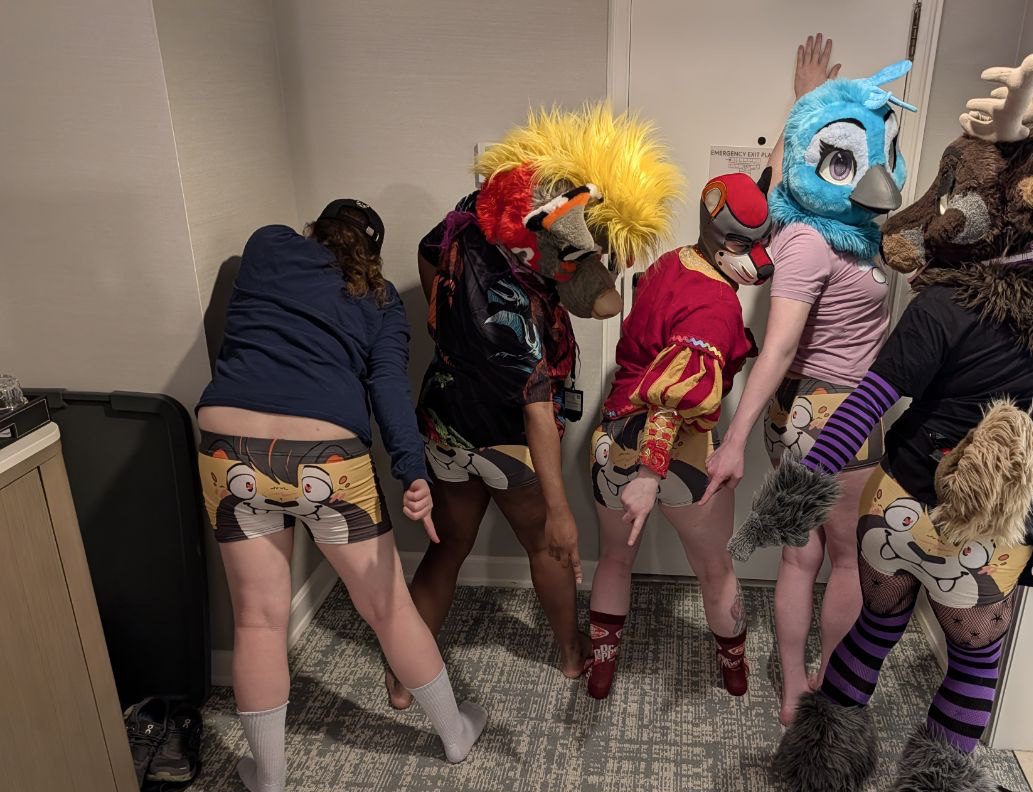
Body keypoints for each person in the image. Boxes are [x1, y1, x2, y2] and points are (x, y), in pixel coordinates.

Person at [730, 49, 1033, 792]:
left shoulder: (943, 308)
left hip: (897, 514)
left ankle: (822, 762)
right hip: (983, 534)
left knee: (873, 632)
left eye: (951, 200)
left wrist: (788, 501)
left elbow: (863, 409)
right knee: (973, 662)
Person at [383, 106, 680, 708]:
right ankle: (571, 654)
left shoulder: (467, 222)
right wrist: (561, 513)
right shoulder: (514, 318)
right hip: (507, 443)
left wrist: (449, 325)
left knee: (448, 547)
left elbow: (427, 250)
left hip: (444, 425)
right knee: (545, 546)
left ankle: (401, 678)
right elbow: (537, 413)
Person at [197, 199, 487, 792]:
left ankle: (269, 783)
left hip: (230, 450)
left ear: (315, 229)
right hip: (326, 461)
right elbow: (388, 388)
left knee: (257, 621)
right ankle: (454, 734)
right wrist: (413, 473)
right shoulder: (381, 302)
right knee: (388, 607)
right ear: (372, 257)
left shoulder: (268, 244)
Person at [702, 36, 914, 724]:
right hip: (834, 415)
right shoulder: (808, 242)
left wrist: (804, 100)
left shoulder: (836, 231)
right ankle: (812, 684)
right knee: (840, 560)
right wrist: (734, 441)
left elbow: (781, 179)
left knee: (805, 556)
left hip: (808, 417)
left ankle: (800, 684)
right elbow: (779, 345)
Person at [587, 172, 773, 699]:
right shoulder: (718, 303)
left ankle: (601, 672)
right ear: (718, 236)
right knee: (714, 568)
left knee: (614, 559)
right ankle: (734, 671)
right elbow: (675, 392)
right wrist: (651, 473)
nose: (758, 258)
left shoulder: (671, 262)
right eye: (742, 243)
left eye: (760, 242)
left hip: (612, 438)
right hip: (672, 454)